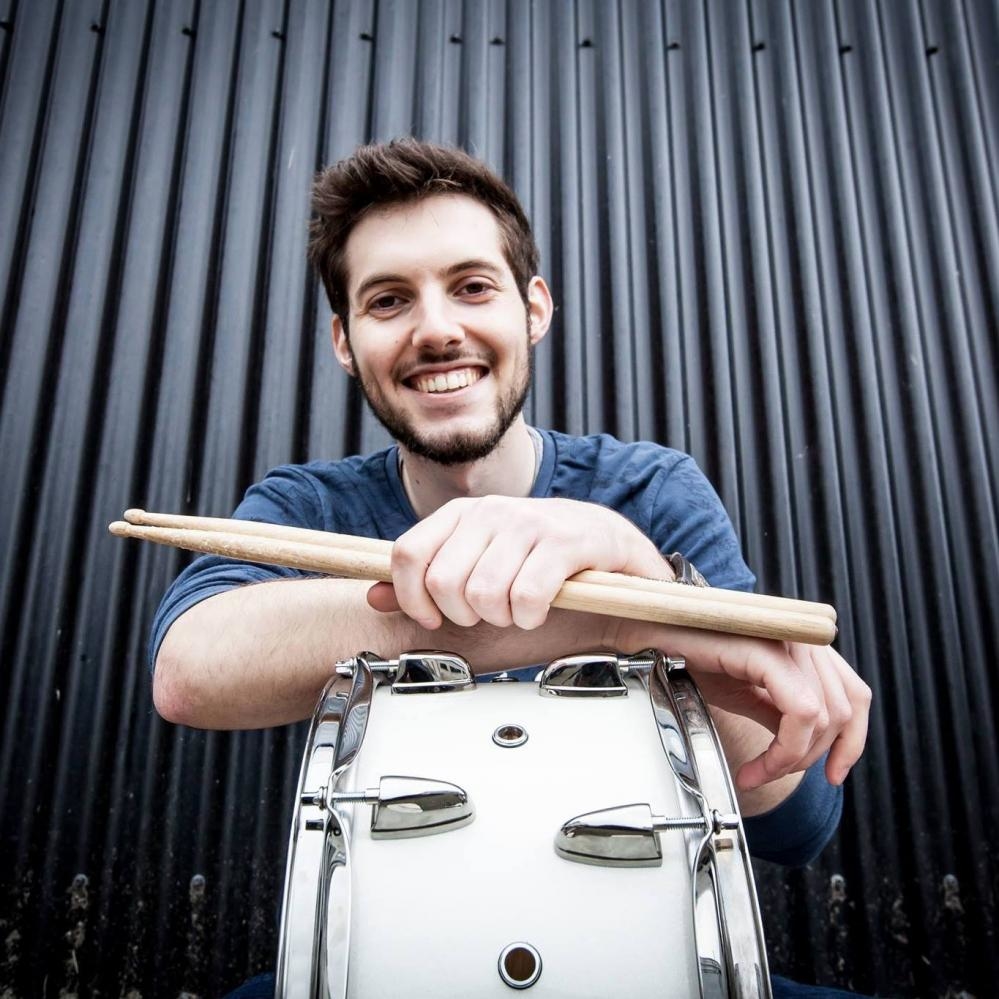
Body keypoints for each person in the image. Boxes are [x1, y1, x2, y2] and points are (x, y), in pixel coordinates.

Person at [150, 139, 871, 998]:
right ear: (345, 340)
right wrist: (622, 617)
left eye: (471, 286)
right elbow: (189, 670)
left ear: (534, 307)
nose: (435, 329)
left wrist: (636, 566)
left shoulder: (648, 490)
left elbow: (796, 820)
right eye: (388, 300)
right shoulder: (305, 505)